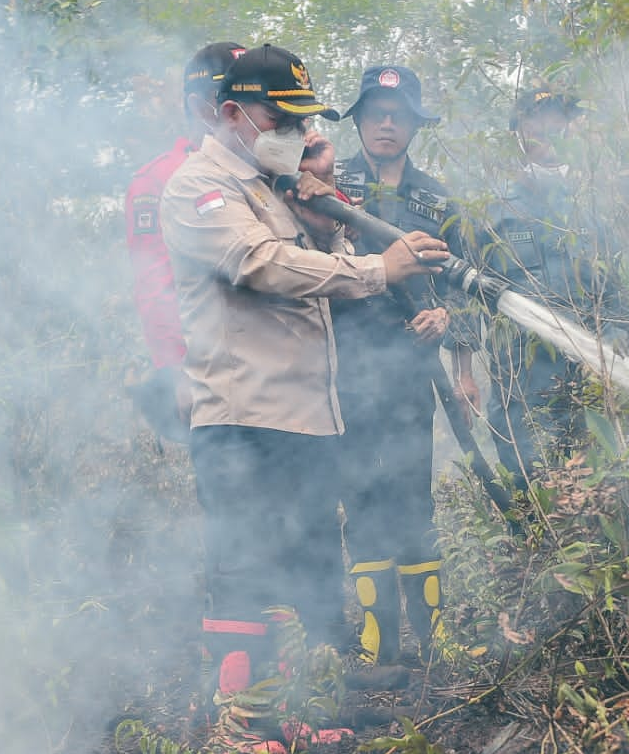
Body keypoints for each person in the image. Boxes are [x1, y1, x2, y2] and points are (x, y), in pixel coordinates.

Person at [159, 44, 451, 712]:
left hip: (309, 418)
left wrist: (328, 230)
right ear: (231, 113)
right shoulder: (199, 187)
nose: (298, 133)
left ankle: (320, 709)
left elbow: (317, 264)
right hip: (243, 419)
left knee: (317, 563)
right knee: (244, 569)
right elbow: (261, 263)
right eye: (282, 118)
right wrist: (380, 268)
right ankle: (244, 725)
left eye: (303, 120)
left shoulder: (276, 191)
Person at [331, 65, 467, 665]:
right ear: (359, 119)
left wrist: (447, 325)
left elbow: (463, 283)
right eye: (377, 112)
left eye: (399, 114)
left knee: (415, 498)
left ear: (414, 123)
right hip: (348, 372)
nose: (387, 123)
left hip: (414, 373)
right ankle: (376, 641)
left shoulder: (437, 199)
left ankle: (434, 638)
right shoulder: (327, 188)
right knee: (362, 498)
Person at [465, 86, 629, 493]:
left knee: (600, 501)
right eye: (536, 120)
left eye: (560, 119)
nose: (550, 130)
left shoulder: (592, 211)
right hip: (522, 394)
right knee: (536, 498)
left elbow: (620, 299)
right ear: (518, 131)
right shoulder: (491, 213)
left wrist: (618, 352)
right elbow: (466, 302)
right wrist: (463, 373)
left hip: (593, 393)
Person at [123, 41, 246, 441]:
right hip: (210, 376)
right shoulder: (159, 180)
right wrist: (177, 372)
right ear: (199, 105)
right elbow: (155, 285)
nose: (239, 111)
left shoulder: (263, 168)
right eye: (227, 98)